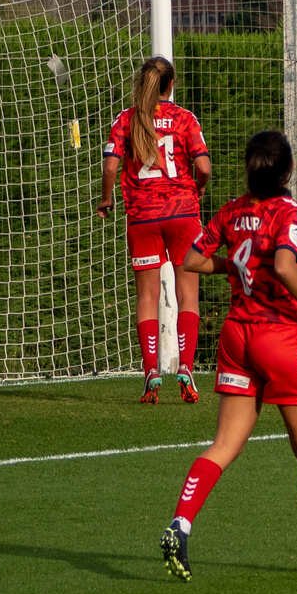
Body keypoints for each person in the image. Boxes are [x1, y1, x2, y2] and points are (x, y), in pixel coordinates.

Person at [160, 130, 297, 580]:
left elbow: (192, 261)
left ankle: (180, 523)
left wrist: (233, 265)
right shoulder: (292, 212)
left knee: (223, 445)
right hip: (280, 338)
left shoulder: (231, 211)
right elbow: (282, 264)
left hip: (237, 336)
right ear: (289, 171)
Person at [97, 56, 211, 404]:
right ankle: (186, 367)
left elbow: (111, 164)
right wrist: (199, 188)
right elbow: (204, 166)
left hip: (143, 217)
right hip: (182, 213)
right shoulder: (184, 118)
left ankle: (150, 371)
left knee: (147, 296)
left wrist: (106, 200)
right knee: (187, 293)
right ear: (171, 85)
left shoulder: (127, 119)